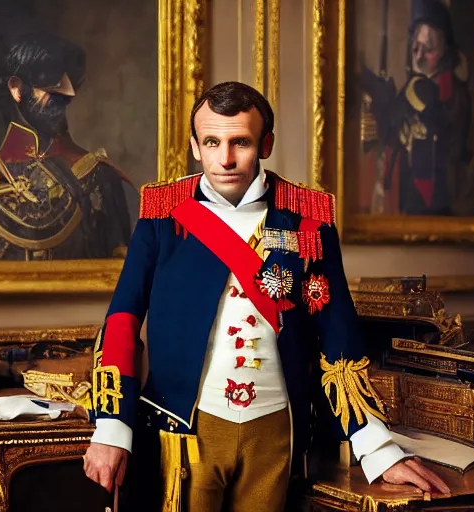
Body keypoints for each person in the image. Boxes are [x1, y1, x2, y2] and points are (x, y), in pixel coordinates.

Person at [83, 81, 450, 511]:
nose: (225, 159)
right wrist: (111, 426)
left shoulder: (307, 218)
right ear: (194, 146)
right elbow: (123, 320)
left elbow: (339, 336)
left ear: (266, 143)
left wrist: (378, 448)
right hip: (183, 431)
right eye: (212, 142)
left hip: (278, 430)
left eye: (240, 142)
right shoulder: (163, 213)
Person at [0, 31, 135, 261]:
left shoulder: (101, 179)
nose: (69, 93)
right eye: (53, 84)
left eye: (70, 82)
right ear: (16, 88)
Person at [361, 0, 472, 215]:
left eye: (428, 49)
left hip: (438, 201)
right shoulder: (412, 87)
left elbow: (453, 154)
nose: (419, 56)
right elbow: (392, 134)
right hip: (403, 196)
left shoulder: (455, 95)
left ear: (446, 53)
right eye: (416, 47)